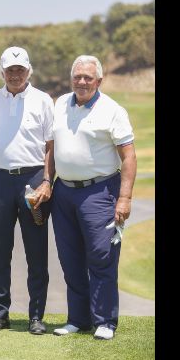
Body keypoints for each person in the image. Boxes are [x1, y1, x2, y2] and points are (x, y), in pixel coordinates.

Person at [50, 55, 137, 340]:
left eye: (88, 77)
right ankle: (78, 319)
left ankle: (105, 321)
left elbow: (129, 155)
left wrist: (124, 198)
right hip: (64, 191)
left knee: (101, 256)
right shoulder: (61, 103)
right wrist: (46, 183)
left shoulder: (112, 110)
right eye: (78, 76)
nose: (82, 82)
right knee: (69, 258)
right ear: (71, 78)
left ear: (99, 81)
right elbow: (51, 148)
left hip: (99, 191)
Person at [0, 46, 55, 335]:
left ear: (29, 71)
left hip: (34, 179)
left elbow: (50, 144)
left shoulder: (42, 100)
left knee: (36, 251)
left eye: (20, 70)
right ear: (2, 72)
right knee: (0, 250)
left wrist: (48, 180)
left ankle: (36, 315)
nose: (15, 75)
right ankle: (0, 313)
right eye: (10, 70)